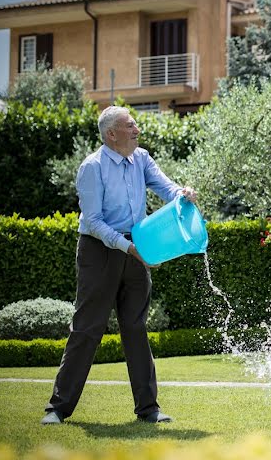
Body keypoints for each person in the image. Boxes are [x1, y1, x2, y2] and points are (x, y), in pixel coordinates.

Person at [41, 106, 197, 425]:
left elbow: (166, 187)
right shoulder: (92, 167)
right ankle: (57, 408)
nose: (137, 129)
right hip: (99, 251)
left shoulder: (141, 158)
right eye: (131, 125)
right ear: (112, 134)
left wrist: (183, 193)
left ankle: (148, 409)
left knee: (136, 328)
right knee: (87, 328)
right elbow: (94, 222)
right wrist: (129, 248)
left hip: (137, 249)